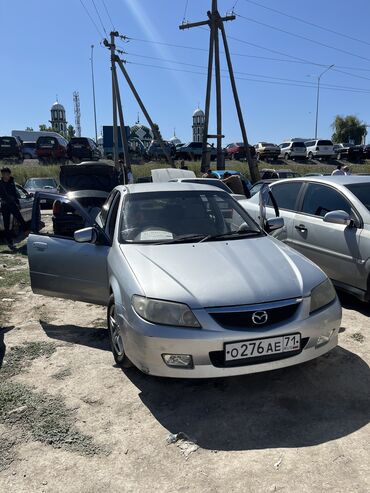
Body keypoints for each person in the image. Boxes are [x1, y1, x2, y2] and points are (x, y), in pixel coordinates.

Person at [0, 167, 29, 249]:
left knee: (21, 220)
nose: (4, 175)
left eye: (6, 174)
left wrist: (18, 204)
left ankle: (28, 234)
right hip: (5, 206)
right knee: (6, 225)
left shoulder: (12, 183)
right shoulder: (0, 183)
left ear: (9, 174)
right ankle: (10, 243)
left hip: (13, 204)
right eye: (3, 174)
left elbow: (15, 195)